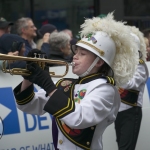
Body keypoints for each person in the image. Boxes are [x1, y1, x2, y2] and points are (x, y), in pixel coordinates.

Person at [13, 13, 139, 150]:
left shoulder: (105, 89)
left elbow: (79, 118)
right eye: (76, 52)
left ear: (99, 61)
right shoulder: (66, 84)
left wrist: (49, 86)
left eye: (82, 54)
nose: (75, 57)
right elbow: (30, 106)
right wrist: (28, 76)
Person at [115, 26, 149, 150]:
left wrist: (115, 73)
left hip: (131, 111)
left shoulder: (139, 65)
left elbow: (131, 84)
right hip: (118, 110)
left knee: (126, 147)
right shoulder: (120, 63)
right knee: (121, 145)